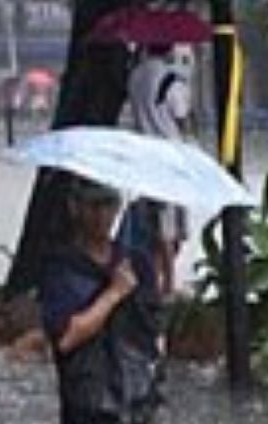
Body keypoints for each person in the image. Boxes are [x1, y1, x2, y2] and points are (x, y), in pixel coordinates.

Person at [37, 173, 163, 424]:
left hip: (133, 395)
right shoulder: (61, 268)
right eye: (92, 205)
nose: (100, 215)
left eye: (108, 204)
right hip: (84, 398)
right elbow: (66, 337)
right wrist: (113, 294)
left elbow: (153, 327)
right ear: (74, 207)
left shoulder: (136, 262)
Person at [122, 44, 192, 295]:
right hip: (170, 156)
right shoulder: (170, 79)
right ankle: (167, 283)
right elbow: (181, 115)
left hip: (144, 154)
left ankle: (155, 276)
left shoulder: (136, 76)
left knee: (153, 220)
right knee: (170, 224)